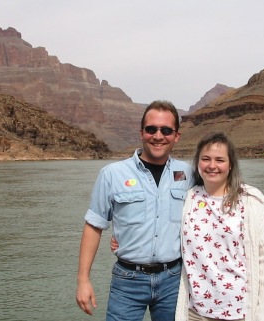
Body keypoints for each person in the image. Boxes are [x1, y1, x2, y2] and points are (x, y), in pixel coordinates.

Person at [76, 100, 195, 321]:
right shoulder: (112, 174)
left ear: (176, 136)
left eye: (166, 130)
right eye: (151, 129)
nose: (158, 136)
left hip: (174, 280)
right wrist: (83, 280)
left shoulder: (188, 173)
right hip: (127, 280)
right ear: (141, 133)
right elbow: (94, 226)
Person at [175, 132, 264, 321]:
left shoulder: (252, 201)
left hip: (239, 313)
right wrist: (123, 239)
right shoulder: (189, 198)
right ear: (197, 163)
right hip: (195, 313)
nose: (212, 165)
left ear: (230, 164)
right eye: (205, 159)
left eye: (220, 160)